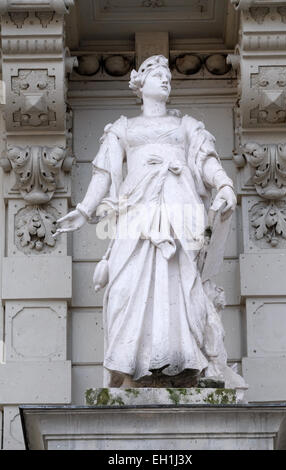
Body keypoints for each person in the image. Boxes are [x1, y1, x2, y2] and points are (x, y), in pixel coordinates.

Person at [55, 55, 247, 390]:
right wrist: (84, 210)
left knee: (180, 283)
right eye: (157, 75)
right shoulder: (123, 129)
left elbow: (206, 160)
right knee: (126, 287)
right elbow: (104, 173)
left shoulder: (187, 126)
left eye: (167, 76)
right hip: (136, 216)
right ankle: (131, 364)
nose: (165, 80)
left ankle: (183, 359)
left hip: (179, 212)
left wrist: (226, 185)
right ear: (140, 83)